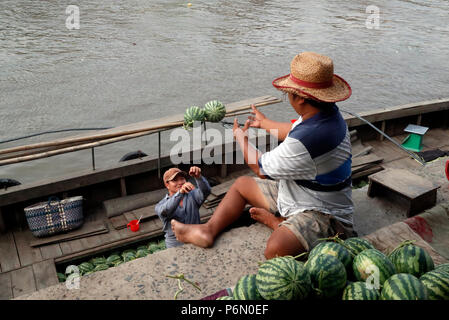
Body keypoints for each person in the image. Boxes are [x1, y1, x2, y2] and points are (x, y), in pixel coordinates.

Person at [171, 52, 356, 258]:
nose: (288, 98)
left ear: (301, 98)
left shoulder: (309, 138)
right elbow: (292, 129)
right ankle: (208, 229)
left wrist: (241, 138)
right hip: (299, 190)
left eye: (289, 94)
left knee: (275, 249)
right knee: (241, 185)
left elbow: (260, 167)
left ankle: (277, 223)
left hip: (324, 213)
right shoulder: (325, 114)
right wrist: (265, 123)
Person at [155, 166, 211, 248]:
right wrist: (180, 193)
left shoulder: (192, 195)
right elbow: (165, 211)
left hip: (196, 239)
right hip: (175, 245)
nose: (180, 182)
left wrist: (199, 177)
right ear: (167, 185)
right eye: (175, 180)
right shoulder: (160, 205)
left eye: (182, 179)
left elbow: (206, 191)